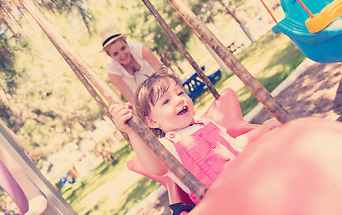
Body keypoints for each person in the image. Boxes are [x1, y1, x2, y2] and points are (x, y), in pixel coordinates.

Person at [109, 67, 281, 214]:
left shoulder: (206, 124)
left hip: (247, 179)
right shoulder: (166, 147)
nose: (178, 100)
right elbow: (153, 166)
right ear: (152, 122)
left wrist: (263, 129)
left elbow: (234, 145)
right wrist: (131, 131)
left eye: (180, 92)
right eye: (166, 101)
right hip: (219, 206)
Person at [100, 26, 163, 102]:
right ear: (110, 56)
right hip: (144, 99)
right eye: (116, 54)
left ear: (127, 44)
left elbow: (161, 70)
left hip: (161, 85)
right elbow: (131, 98)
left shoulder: (138, 48)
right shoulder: (112, 69)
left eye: (123, 48)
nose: (122, 55)